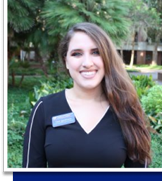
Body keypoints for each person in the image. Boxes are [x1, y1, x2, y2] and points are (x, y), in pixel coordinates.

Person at [23, 22, 151, 168]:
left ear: (107, 58)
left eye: (96, 52)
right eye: (77, 54)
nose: (87, 63)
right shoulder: (44, 108)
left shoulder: (127, 108)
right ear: (66, 61)